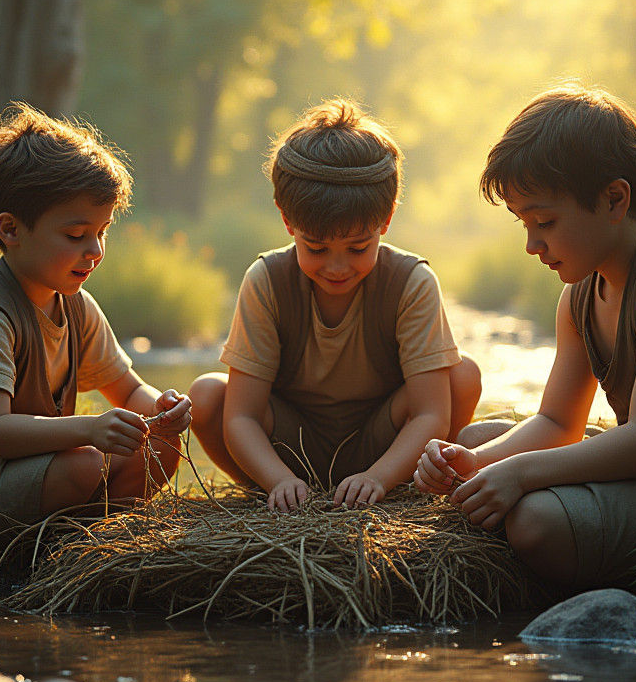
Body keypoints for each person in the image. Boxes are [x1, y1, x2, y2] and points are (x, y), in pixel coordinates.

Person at [414, 84, 636, 594]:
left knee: (535, 519)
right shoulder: (582, 293)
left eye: (545, 222)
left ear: (614, 199)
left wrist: (518, 475)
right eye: (523, 223)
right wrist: (476, 465)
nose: (531, 244)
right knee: (474, 442)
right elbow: (559, 421)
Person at [0, 103, 191, 553]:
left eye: (102, 232)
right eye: (76, 235)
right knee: (84, 464)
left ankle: (89, 546)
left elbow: (127, 388)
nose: (96, 250)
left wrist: (163, 410)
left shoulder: (76, 305)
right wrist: (88, 429)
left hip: (43, 473)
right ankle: (63, 545)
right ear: (10, 230)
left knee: (161, 446)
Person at [189, 99, 481, 512]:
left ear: (387, 219)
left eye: (358, 247)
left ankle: (400, 489)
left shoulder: (411, 282)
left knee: (461, 376)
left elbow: (431, 414)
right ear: (288, 221)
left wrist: (378, 477)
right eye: (317, 247)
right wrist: (279, 479)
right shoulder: (267, 281)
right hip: (290, 446)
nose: (338, 267)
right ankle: (275, 496)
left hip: (381, 444)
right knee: (206, 396)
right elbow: (241, 417)